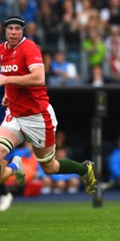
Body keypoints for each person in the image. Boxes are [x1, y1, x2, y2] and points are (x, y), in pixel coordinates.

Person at [0, 16, 96, 195]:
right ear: (5, 30)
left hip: (37, 116)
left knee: (50, 167)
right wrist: (7, 93)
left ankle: (84, 169)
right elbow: (10, 73)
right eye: (10, 29)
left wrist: (7, 80)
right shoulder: (2, 51)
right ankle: (15, 167)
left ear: (22, 31)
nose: (13, 32)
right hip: (14, 114)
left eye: (17, 29)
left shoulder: (29, 48)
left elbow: (39, 78)